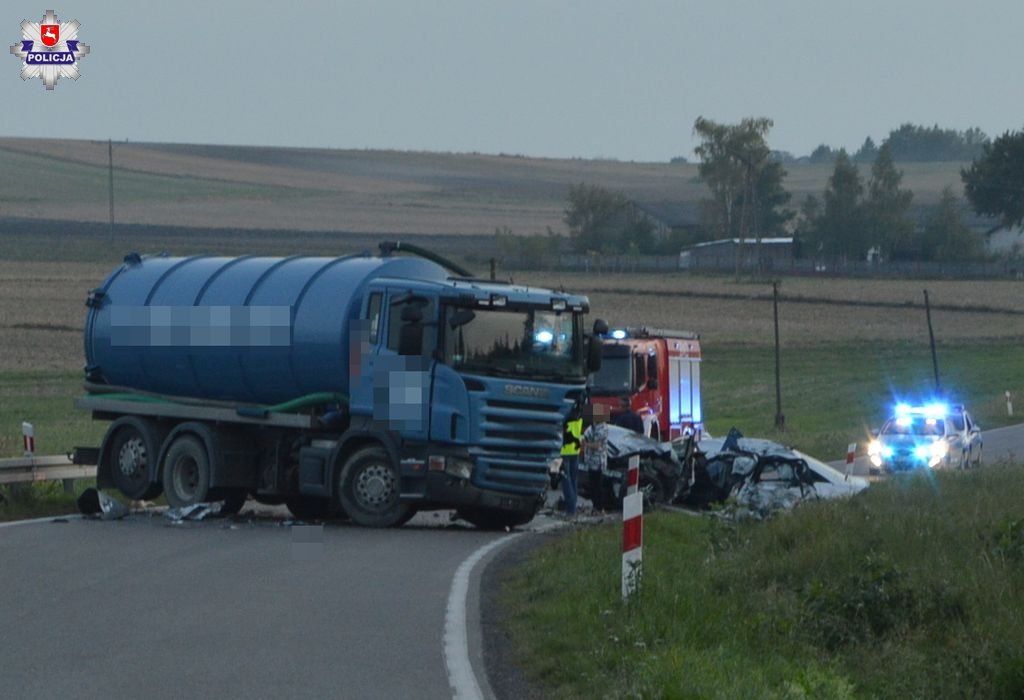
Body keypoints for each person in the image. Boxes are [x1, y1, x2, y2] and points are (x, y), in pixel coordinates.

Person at [582, 402, 611, 513]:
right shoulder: (592, 426)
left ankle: (599, 507)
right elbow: (585, 436)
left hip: (598, 461)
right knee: (592, 485)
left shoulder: (603, 428)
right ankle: (595, 506)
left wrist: (586, 445)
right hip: (590, 460)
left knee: (598, 485)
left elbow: (597, 445)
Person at [560, 399, 583, 517]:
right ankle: (573, 506)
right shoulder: (579, 414)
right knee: (574, 480)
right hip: (576, 450)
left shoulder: (565, 415)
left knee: (566, 480)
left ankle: (571, 509)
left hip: (564, 451)